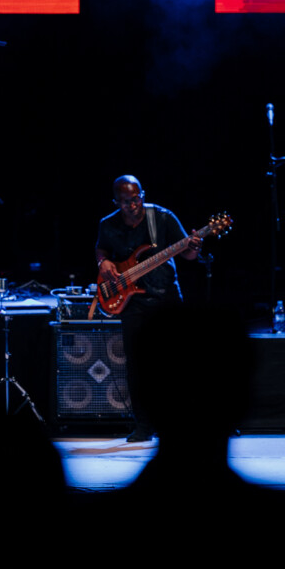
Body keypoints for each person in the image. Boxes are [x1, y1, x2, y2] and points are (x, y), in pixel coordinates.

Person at [95, 175, 202, 442]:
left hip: (166, 298)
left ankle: (178, 423)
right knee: (137, 365)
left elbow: (188, 254)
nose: (131, 205)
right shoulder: (108, 224)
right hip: (132, 302)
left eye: (135, 199)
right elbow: (101, 250)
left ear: (142, 195)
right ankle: (143, 426)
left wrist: (194, 247)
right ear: (116, 201)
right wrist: (102, 262)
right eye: (124, 202)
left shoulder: (162, 217)